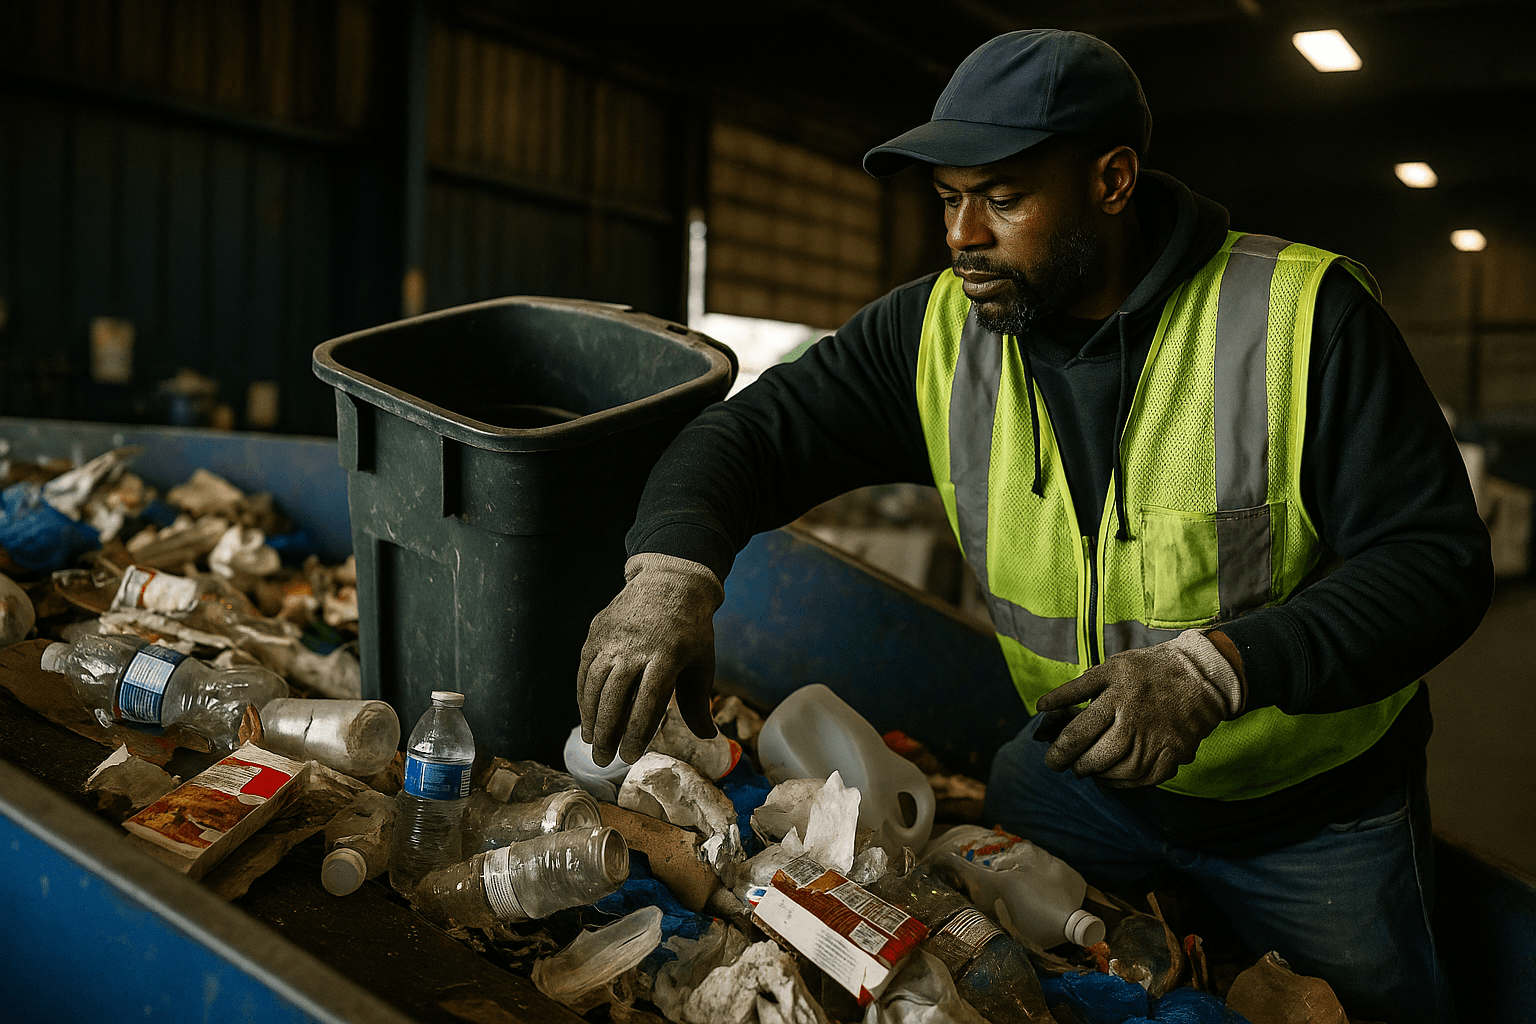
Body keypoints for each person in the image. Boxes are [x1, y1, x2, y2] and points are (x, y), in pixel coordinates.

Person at [577, 28, 1489, 1023]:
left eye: (1002, 198)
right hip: (1084, 780)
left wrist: (1217, 669)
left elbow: (1434, 560)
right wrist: (669, 578)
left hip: (1311, 816)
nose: (962, 234)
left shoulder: (1301, 322)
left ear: (1112, 181)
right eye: (947, 199)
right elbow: (750, 435)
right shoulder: (940, 334)